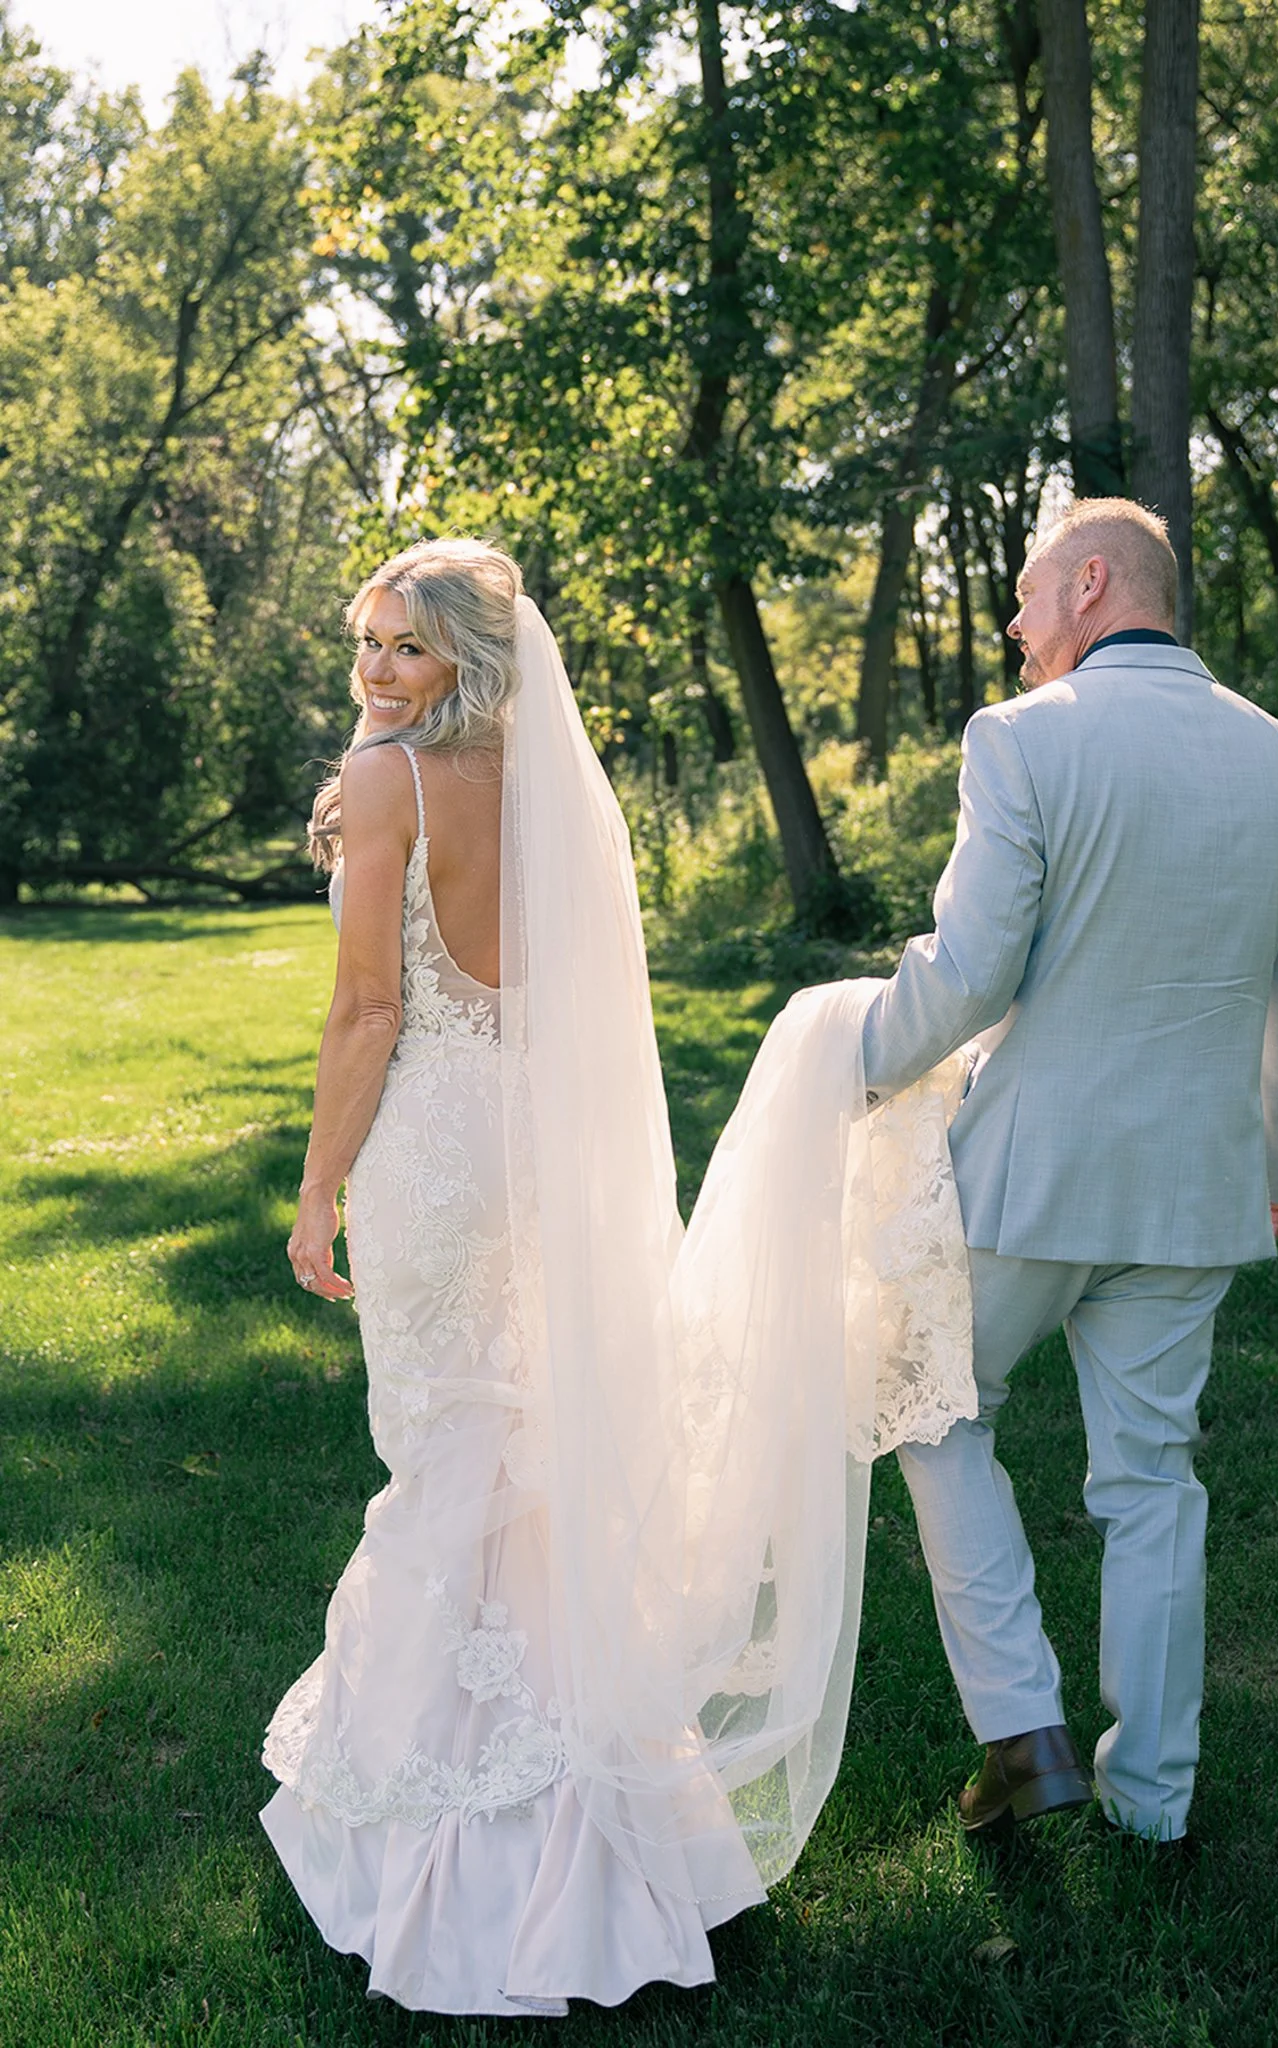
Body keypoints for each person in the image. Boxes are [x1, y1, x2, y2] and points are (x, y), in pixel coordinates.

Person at [261, 538, 978, 2013]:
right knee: (518, 1448)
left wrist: (320, 1184)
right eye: (368, 642)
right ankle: (595, 1786)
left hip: (436, 1158)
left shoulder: (387, 781)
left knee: (450, 1452)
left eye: (407, 645)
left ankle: (457, 1837)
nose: (377, 670)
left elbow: (367, 1008)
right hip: (534, 1150)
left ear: (468, 656)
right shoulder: (549, 797)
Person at [861, 497, 1278, 1843]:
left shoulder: (1023, 739)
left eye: (1023, 599)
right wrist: (1276, 1157)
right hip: (1200, 1184)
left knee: (935, 1410)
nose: (1013, 628)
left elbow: (970, 973)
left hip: (1033, 1173)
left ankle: (1023, 1726)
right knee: (1152, 1479)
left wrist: (848, 1066)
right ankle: (1155, 1795)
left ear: (1090, 582)